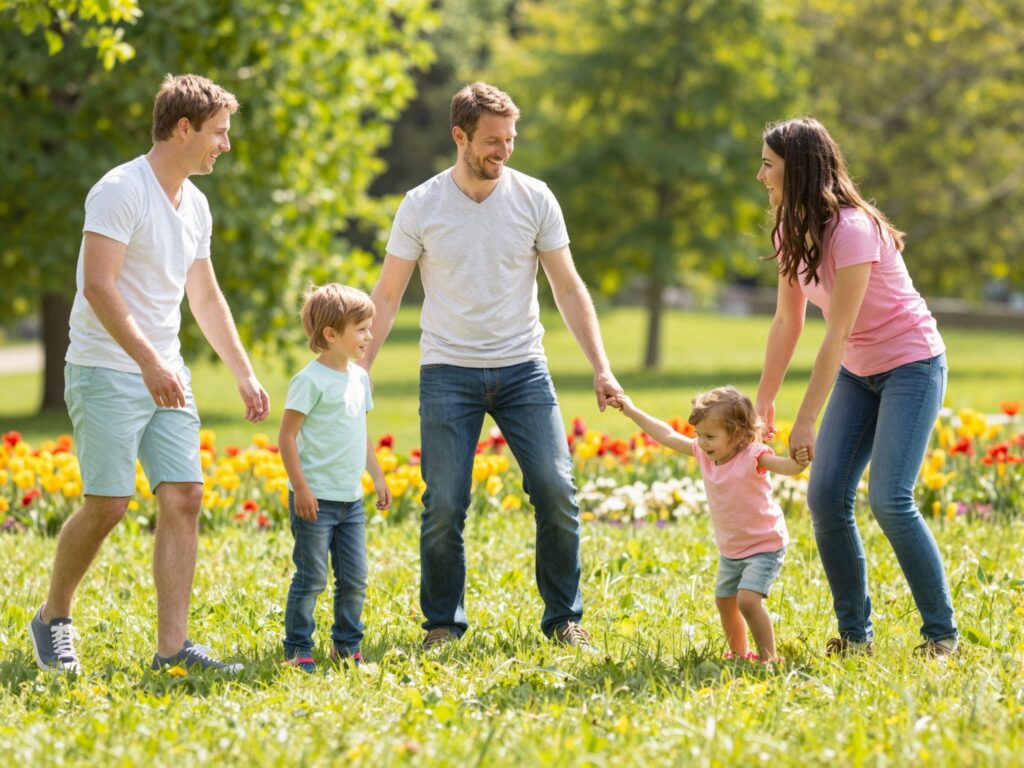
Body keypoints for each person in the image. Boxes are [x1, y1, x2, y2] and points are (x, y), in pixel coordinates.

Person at [362, 82, 622, 651]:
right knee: (445, 503)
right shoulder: (421, 205)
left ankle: (563, 619)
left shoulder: (535, 199)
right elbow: (385, 296)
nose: (503, 151)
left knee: (556, 489)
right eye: (491, 141)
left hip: (523, 367)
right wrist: (359, 370)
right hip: (447, 370)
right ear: (459, 137)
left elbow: (568, 288)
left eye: (510, 139)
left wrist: (601, 367)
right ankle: (442, 625)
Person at [28, 74, 270, 674]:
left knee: (184, 496)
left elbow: (206, 298)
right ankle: (53, 616)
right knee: (108, 504)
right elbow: (98, 286)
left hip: (166, 370)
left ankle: (172, 650)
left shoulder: (197, 204)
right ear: (183, 128)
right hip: (107, 367)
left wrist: (243, 373)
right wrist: (149, 362)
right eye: (218, 133)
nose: (226, 145)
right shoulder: (119, 190)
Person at [754, 117, 958, 657]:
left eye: (769, 166)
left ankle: (942, 636)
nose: (760, 176)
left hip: (912, 364)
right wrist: (766, 401)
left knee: (891, 499)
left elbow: (838, 330)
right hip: (858, 371)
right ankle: (855, 637)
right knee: (825, 496)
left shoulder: (852, 228)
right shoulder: (788, 229)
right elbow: (786, 322)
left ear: (795, 170)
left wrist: (805, 419)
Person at [610, 386, 807, 662]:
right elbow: (666, 435)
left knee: (748, 601)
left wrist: (798, 462)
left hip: (764, 544)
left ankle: (769, 658)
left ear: (737, 435)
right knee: (725, 602)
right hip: (731, 550)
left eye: (710, 436)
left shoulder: (752, 455)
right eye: (699, 435)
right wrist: (631, 411)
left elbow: (786, 467)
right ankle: (739, 654)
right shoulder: (704, 453)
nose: (702, 442)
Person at [278, 284, 391, 672]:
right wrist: (302, 488)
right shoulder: (308, 381)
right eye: (360, 329)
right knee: (312, 578)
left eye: (369, 327)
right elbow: (287, 437)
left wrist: (377, 478)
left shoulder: (359, 380)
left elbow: (360, 435)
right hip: (316, 501)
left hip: (350, 501)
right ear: (330, 334)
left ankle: (346, 646)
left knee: (355, 578)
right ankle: (297, 648)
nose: (369, 336)